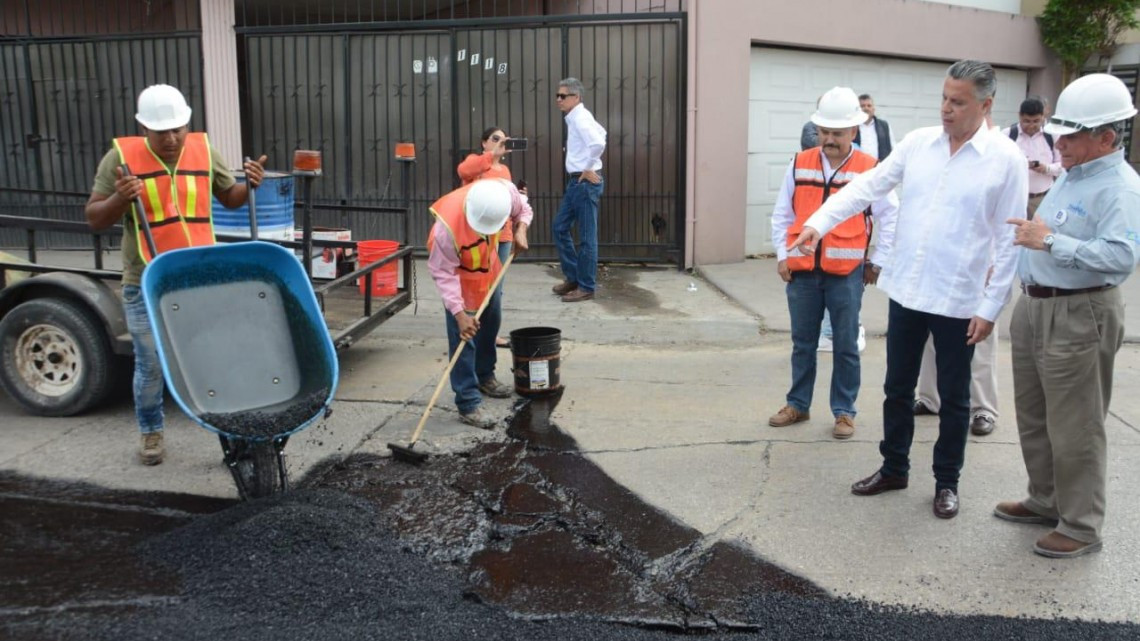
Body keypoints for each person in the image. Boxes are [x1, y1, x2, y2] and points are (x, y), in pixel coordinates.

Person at [791, 60, 1027, 520]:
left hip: (959, 300)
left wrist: (991, 305)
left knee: (955, 400)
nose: (946, 109)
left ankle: (946, 482)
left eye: (958, 102)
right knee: (897, 388)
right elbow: (867, 187)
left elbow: (1008, 239)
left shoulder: (1005, 159)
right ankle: (894, 466)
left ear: (986, 105)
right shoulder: (919, 144)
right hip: (908, 293)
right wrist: (817, 224)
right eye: (944, 98)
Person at [84, 84, 266, 466]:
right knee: (151, 363)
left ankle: (233, 433)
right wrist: (120, 196)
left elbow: (228, 197)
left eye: (177, 129)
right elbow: (94, 218)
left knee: (215, 358)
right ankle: (151, 431)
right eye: (161, 131)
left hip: (198, 274)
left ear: (187, 122)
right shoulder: (120, 158)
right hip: (145, 281)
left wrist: (249, 184)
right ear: (143, 129)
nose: (171, 138)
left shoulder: (203, 149)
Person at [997, 73, 1140, 559]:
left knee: (1075, 424)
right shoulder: (1074, 174)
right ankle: (1046, 499)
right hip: (1038, 306)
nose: (1061, 142)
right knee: (1035, 415)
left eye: (1074, 134)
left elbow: (1120, 257)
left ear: (1107, 136)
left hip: (1080, 311)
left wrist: (1050, 241)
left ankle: (1080, 525)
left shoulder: (1119, 187)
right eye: (1061, 132)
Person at [768, 87, 898, 440]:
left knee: (845, 344)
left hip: (847, 273)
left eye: (837, 133)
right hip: (803, 271)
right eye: (824, 132)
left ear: (853, 132)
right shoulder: (800, 162)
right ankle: (798, 403)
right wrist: (782, 256)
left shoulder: (870, 169)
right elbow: (782, 214)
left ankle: (844, 412)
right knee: (803, 342)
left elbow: (891, 215)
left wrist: (877, 261)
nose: (829, 139)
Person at [914, 113, 1004, 437]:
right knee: (928, 341)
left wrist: (994, 267)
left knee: (978, 342)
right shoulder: (943, 155)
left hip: (978, 271)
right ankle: (929, 398)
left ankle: (983, 409)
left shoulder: (1000, 159)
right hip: (936, 270)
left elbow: (1003, 225)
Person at [427, 179, 532, 429]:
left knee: (491, 321)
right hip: (460, 282)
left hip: (488, 271)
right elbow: (443, 273)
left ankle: (485, 375)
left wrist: (521, 229)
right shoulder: (446, 229)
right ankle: (468, 402)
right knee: (464, 337)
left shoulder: (505, 193)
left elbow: (524, 209)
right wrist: (459, 313)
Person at [458, 126, 516, 348]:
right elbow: (463, 171)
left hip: (502, 235)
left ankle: (490, 334)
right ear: (484, 143)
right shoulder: (476, 162)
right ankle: (472, 330)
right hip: (479, 235)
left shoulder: (504, 170)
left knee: (496, 290)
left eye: (503, 140)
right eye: (495, 139)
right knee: (477, 286)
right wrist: (491, 155)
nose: (500, 143)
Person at [551, 77, 606, 302]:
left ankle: (586, 286)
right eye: (557, 95)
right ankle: (574, 277)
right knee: (559, 227)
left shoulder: (581, 118)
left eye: (563, 96)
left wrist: (588, 167)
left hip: (583, 184)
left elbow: (598, 143)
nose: (558, 100)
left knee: (586, 238)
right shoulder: (577, 117)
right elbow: (602, 133)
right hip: (576, 184)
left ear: (576, 97)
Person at [1007, 97, 1063, 219]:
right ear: (1019, 116)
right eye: (1026, 121)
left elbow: (1063, 165)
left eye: (1036, 121)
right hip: (1014, 199)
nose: (1031, 126)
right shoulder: (1008, 135)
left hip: (1042, 199)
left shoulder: (1052, 136)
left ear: (1043, 116)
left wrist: (1046, 168)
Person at [855, 94, 895, 161]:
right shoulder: (851, 127)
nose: (866, 108)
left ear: (873, 108)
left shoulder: (884, 126)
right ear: (857, 109)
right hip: (857, 168)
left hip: (879, 168)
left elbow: (893, 148)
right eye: (862, 106)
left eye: (869, 105)